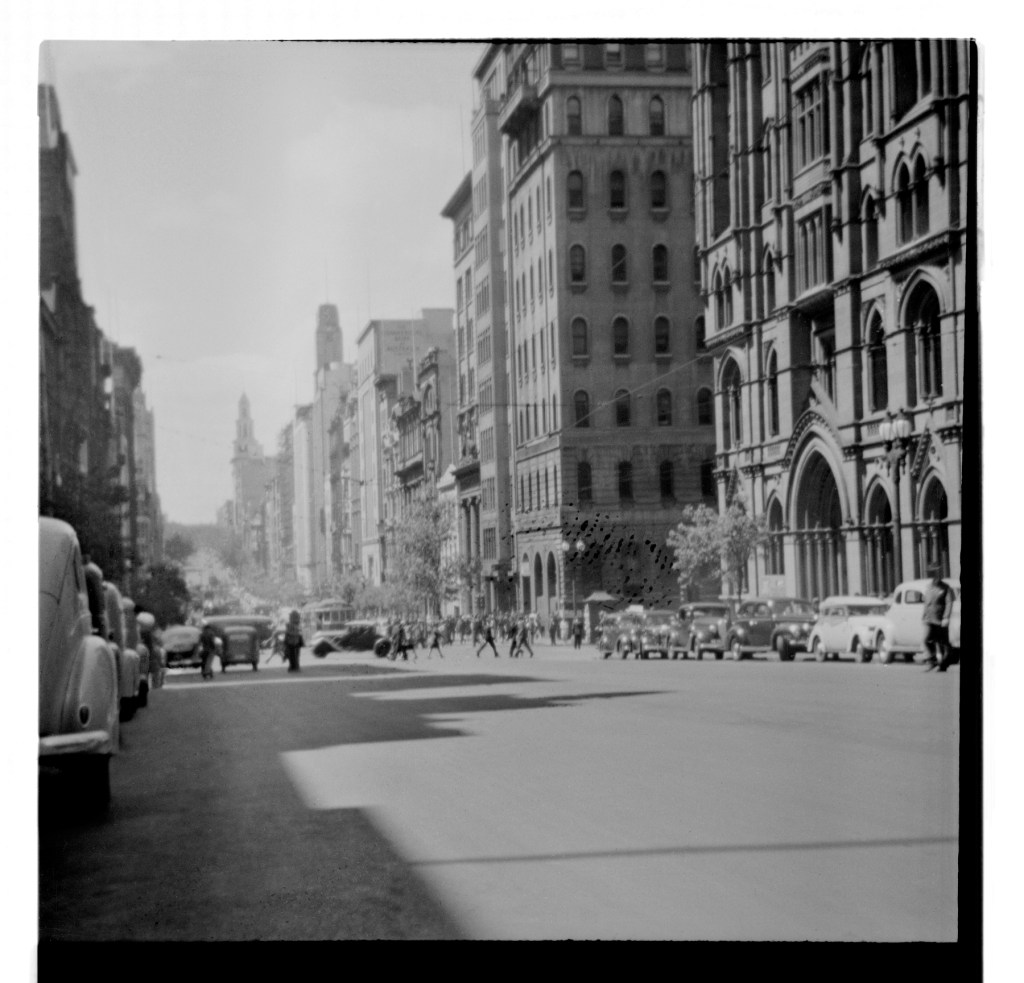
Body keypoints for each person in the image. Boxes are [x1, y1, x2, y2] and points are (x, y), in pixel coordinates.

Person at [922, 563, 954, 672]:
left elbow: (949, 603)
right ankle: (932, 660)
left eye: (937, 574)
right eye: (933, 574)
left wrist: (946, 617)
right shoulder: (928, 587)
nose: (936, 577)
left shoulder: (945, 588)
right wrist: (924, 615)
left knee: (943, 642)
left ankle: (944, 664)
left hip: (940, 619)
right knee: (927, 640)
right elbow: (927, 602)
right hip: (929, 619)